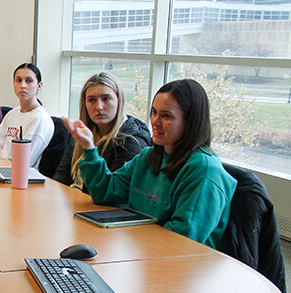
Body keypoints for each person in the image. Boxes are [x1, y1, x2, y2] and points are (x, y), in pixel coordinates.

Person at [63, 79, 236, 249]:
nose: (155, 121)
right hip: (143, 251)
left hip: (182, 266)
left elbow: (181, 240)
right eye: (154, 112)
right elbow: (105, 192)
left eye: (166, 116)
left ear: (190, 121)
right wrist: (88, 147)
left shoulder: (204, 171)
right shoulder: (148, 156)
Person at [53, 72, 151, 191]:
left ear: (119, 100)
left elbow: (113, 194)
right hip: (74, 200)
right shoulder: (83, 131)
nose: (99, 106)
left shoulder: (131, 139)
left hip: (97, 207)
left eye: (106, 99)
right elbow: (61, 177)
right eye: (92, 100)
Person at [0, 63, 54, 169]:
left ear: (39, 86)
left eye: (29, 81)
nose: (23, 85)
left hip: (20, 177)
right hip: (1, 168)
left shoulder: (40, 119)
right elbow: (0, 151)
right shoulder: (12, 114)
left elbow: (24, 163)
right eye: (18, 80)